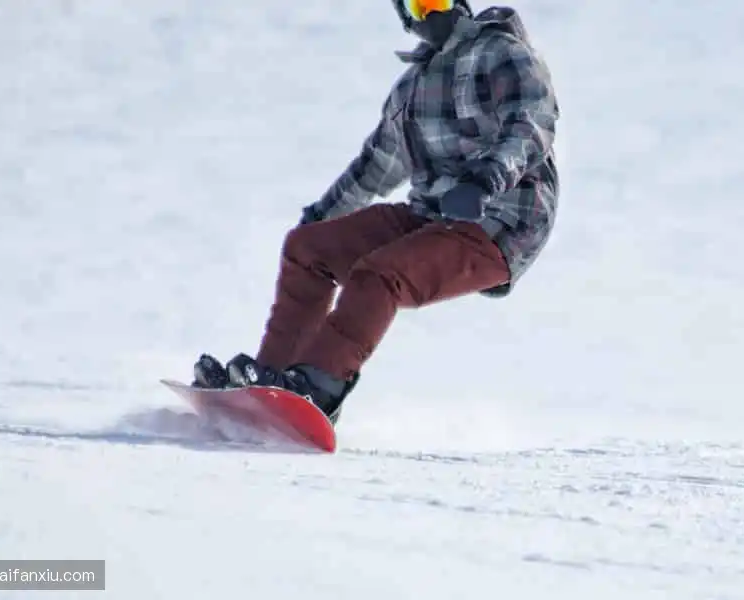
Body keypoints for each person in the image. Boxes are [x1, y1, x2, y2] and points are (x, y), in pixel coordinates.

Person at [190, 0, 560, 425]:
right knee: (308, 249)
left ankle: (320, 388)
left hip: (502, 221)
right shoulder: (412, 88)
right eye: (417, 7)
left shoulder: (502, 53)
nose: (430, 14)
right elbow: (376, 166)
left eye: (437, 1)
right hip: (431, 216)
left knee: (380, 273)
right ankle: (270, 381)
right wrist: (321, 216)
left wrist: (486, 179)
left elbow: (531, 123)